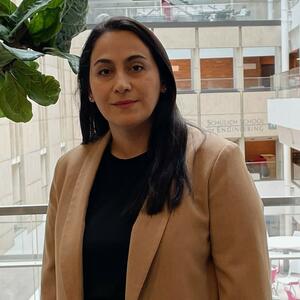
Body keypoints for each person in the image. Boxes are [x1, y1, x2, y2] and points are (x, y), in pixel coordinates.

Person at [41, 16, 271, 300]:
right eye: (104, 72)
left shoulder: (215, 164)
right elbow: (52, 284)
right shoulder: (68, 170)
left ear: (163, 80)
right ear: (89, 90)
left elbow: (248, 291)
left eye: (136, 67)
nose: (121, 84)